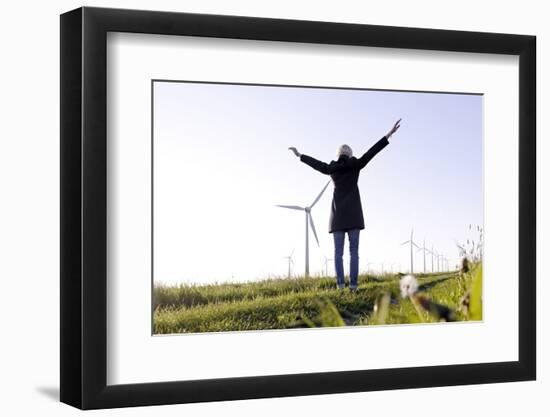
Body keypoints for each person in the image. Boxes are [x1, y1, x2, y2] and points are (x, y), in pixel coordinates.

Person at [288, 119, 401, 291]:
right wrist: (388, 135)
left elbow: (317, 164)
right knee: (354, 252)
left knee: (337, 254)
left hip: (338, 216)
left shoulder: (331, 169)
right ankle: (354, 286)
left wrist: (300, 156)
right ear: (349, 154)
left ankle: (340, 286)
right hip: (354, 215)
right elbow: (371, 153)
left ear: (338, 155)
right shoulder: (356, 165)